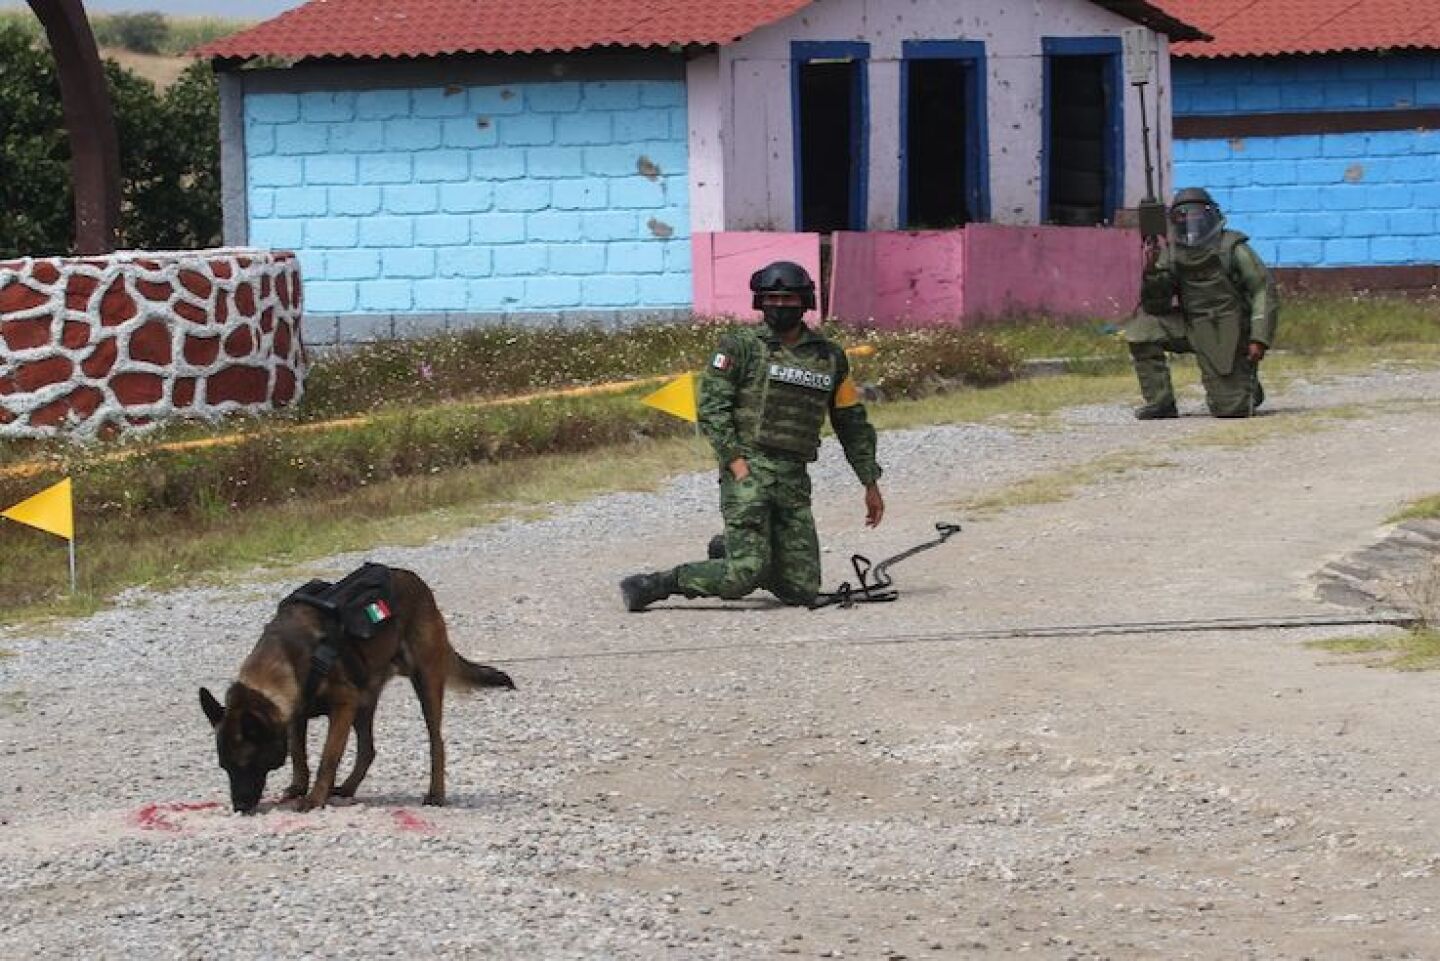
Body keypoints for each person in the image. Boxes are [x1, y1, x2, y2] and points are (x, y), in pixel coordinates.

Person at [619, 261, 885, 612]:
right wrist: (738, 466)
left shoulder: (829, 356)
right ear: (760, 302)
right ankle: (655, 584)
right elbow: (713, 410)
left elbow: (852, 422)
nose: (780, 306)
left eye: (789, 299)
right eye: (772, 298)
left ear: (804, 303)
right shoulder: (739, 347)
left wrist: (869, 482)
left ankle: (734, 550)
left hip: (793, 477)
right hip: (748, 468)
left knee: (802, 590)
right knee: (742, 577)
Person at [1125, 187, 1279, 419]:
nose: (1191, 225)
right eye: (1183, 218)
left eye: (1197, 216)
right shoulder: (1172, 252)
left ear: (1212, 216)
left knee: (1230, 410)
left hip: (1231, 328)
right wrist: (1154, 272)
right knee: (1142, 329)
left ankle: (1246, 381)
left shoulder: (1233, 248)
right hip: (1191, 323)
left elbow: (1262, 291)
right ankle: (1160, 401)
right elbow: (1157, 305)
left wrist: (1259, 337)